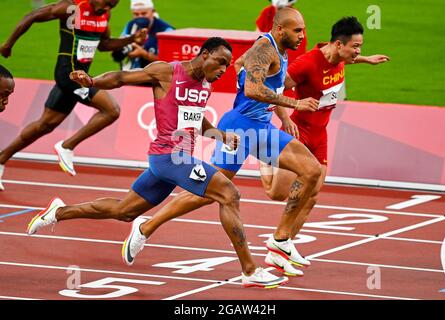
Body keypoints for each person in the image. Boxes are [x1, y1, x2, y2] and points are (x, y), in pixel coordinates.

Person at [26, 37, 289, 289]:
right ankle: (250, 270)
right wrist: (93, 80)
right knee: (229, 194)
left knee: (124, 211)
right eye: (219, 62)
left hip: (177, 159)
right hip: (169, 156)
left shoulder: (205, 86)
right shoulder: (167, 72)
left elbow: (196, 121)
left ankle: (58, 212)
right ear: (204, 54)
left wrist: (220, 136)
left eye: (227, 66)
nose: (223, 70)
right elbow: (120, 78)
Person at [117, 7, 323, 278]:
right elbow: (252, 88)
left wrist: (282, 115)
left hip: (261, 128)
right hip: (239, 128)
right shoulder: (265, 48)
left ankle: (280, 242)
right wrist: (294, 103)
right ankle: (146, 227)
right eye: (297, 30)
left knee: (311, 170)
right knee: (208, 194)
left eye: (303, 30)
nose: (302, 35)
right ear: (280, 29)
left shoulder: (279, 52)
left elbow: (243, 69)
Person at [259, 16, 390, 257]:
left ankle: (283, 246)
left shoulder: (339, 57)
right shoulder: (306, 64)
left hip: (321, 136)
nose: (358, 50)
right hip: (299, 132)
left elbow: (342, 62)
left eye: (360, 46)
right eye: (356, 47)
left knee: (311, 196)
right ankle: (263, 157)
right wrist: (286, 117)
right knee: (277, 194)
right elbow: (273, 89)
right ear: (339, 44)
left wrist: (365, 60)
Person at [0, 0, 147, 188]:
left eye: (112, 6)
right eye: (107, 3)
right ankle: (67, 146)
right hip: (69, 75)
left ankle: (1, 159)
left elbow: (104, 44)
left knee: (45, 124)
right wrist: (8, 44)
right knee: (112, 110)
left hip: (80, 77)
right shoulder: (72, 9)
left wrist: (131, 38)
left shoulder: (103, 15)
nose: (107, 9)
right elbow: (33, 16)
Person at [112, 0, 174, 71]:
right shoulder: (130, 25)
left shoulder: (166, 31)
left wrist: (144, 54)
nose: (140, 17)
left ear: (153, 11)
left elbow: (171, 62)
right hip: (133, 74)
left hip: (156, 77)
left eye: (144, 13)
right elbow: (119, 51)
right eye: (136, 14)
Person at [256, 0, 307, 64]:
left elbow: (297, 51)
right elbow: (256, 37)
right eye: (279, 8)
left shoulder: (295, 18)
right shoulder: (267, 12)